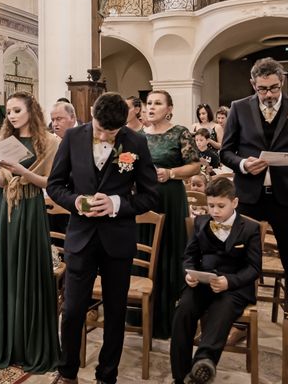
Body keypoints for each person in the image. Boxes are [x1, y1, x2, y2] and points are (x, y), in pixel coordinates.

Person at [47, 92, 159, 384]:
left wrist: (117, 204)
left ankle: (107, 375)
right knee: (71, 311)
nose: (104, 136)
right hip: (81, 236)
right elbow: (55, 185)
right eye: (99, 129)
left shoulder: (136, 142)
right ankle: (66, 372)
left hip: (117, 239)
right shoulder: (72, 138)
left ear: (123, 125)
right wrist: (77, 202)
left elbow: (150, 195)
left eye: (111, 132)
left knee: (114, 311)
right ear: (92, 114)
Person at [220, 57, 288, 321]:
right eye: (262, 89)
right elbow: (225, 152)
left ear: (282, 82)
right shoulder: (239, 108)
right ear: (253, 84)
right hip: (250, 197)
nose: (268, 94)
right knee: (239, 260)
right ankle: (239, 322)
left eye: (274, 88)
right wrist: (242, 164)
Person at [0, 91, 61, 373]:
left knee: (30, 272)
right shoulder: (5, 143)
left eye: (17, 111)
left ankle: (31, 344)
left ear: (31, 111)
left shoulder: (49, 142)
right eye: (9, 111)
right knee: (10, 271)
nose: (12, 116)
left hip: (32, 210)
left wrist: (21, 171)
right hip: (9, 213)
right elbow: (4, 181)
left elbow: (50, 182)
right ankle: (8, 342)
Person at [170, 177, 261, 384]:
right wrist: (190, 273)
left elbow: (254, 268)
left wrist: (229, 281)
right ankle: (180, 374)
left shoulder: (249, 228)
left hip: (233, 287)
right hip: (202, 282)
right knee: (183, 310)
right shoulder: (201, 223)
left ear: (234, 203)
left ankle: (203, 362)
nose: (215, 211)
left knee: (222, 310)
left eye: (221, 206)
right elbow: (189, 256)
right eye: (211, 206)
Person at [142, 90, 200, 339]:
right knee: (144, 248)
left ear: (169, 108)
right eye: (149, 103)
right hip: (144, 199)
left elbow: (195, 165)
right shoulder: (136, 136)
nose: (151, 107)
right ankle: (141, 313)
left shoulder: (180, 133)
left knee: (169, 249)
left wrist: (171, 173)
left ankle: (170, 315)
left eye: (157, 103)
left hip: (170, 197)